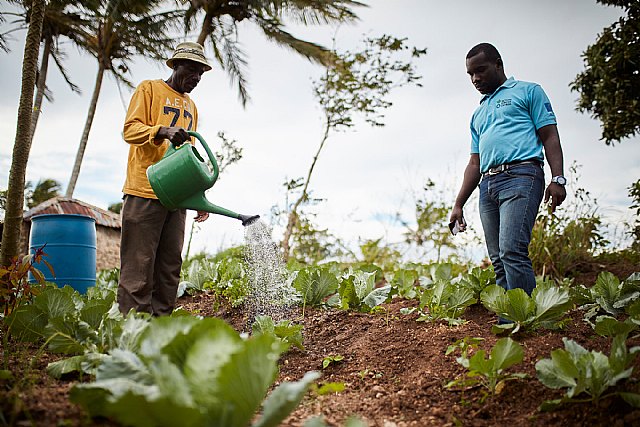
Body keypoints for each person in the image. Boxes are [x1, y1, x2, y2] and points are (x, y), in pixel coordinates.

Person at [450, 43, 567, 304]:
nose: (475, 79)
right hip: (487, 186)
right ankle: (509, 319)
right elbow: (474, 163)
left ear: (498, 64)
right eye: (470, 74)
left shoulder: (528, 91)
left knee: (512, 250)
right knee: (498, 258)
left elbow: (549, 136)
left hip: (522, 176)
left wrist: (557, 178)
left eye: (480, 70)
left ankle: (526, 319)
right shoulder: (478, 113)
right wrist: (459, 204)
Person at [117, 42, 212, 316]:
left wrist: (197, 196)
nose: (196, 79)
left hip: (175, 197)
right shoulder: (149, 89)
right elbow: (130, 130)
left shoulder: (191, 106)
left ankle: (160, 331)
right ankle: (133, 333)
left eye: (200, 75)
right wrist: (163, 131)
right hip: (144, 190)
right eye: (192, 71)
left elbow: (188, 155)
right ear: (176, 65)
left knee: (169, 267)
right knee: (139, 266)